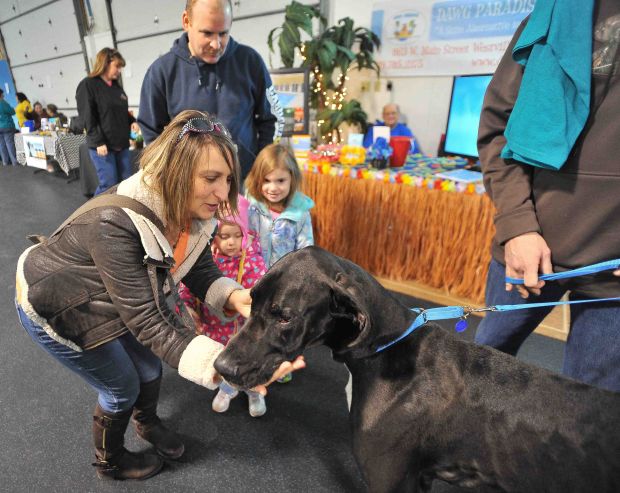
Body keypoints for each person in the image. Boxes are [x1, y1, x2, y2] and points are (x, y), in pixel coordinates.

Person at [15, 110, 305, 480]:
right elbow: (149, 320)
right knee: (121, 387)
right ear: (176, 172)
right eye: (211, 178)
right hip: (57, 306)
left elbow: (198, 269)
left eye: (228, 179)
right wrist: (228, 366)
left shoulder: (192, 209)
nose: (222, 192)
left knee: (149, 367)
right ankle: (111, 460)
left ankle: (147, 424)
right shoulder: (115, 224)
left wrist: (237, 298)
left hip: (112, 296)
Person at [474, 0, 620, 393]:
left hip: (614, 276)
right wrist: (517, 225)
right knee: (479, 371)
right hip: (529, 247)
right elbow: (496, 128)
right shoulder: (549, 17)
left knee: (593, 410)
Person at [138, 0, 284, 179]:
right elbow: (152, 134)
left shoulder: (251, 62)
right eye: (207, 33)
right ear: (186, 21)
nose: (216, 44)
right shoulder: (161, 72)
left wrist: (263, 167)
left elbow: (270, 119)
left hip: (244, 181)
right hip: (189, 186)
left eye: (223, 33)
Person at [177, 195, 268, 416]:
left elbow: (262, 290)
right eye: (224, 236)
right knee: (222, 361)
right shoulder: (206, 259)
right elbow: (188, 287)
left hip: (244, 329)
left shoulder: (252, 261)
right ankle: (226, 389)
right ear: (213, 236)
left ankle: (253, 391)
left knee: (248, 361)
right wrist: (189, 308)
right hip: (214, 327)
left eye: (238, 236)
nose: (231, 242)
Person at [245, 143, 314, 383]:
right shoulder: (251, 206)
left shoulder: (301, 212)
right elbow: (245, 237)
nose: (273, 188)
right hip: (254, 278)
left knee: (282, 325)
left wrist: (300, 280)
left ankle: (280, 363)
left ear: (292, 179)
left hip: (286, 283)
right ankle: (253, 361)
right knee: (255, 322)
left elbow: (306, 250)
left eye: (280, 181)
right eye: (267, 181)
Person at [76, 47, 133, 195]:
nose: (119, 70)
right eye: (117, 66)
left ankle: (119, 213)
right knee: (108, 184)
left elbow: (121, 111)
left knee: (126, 182)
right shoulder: (88, 85)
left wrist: (132, 120)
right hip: (102, 145)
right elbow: (87, 117)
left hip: (121, 143)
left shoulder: (116, 87)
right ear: (105, 63)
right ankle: (96, 214)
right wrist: (98, 141)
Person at [0, 88, 18, 166]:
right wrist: (12, 109)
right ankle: (15, 162)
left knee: (2, 144)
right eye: (2, 94)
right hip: (7, 126)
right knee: (10, 144)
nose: (3, 95)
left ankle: (5, 162)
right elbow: (12, 112)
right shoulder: (3, 103)